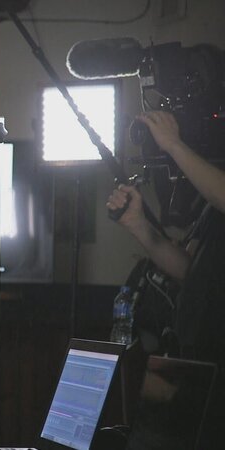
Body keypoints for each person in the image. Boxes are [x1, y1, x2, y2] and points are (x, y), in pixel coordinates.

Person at [106, 109, 225, 447]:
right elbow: (192, 271)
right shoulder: (212, 205)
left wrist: (173, 144)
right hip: (197, 365)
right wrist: (138, 224)